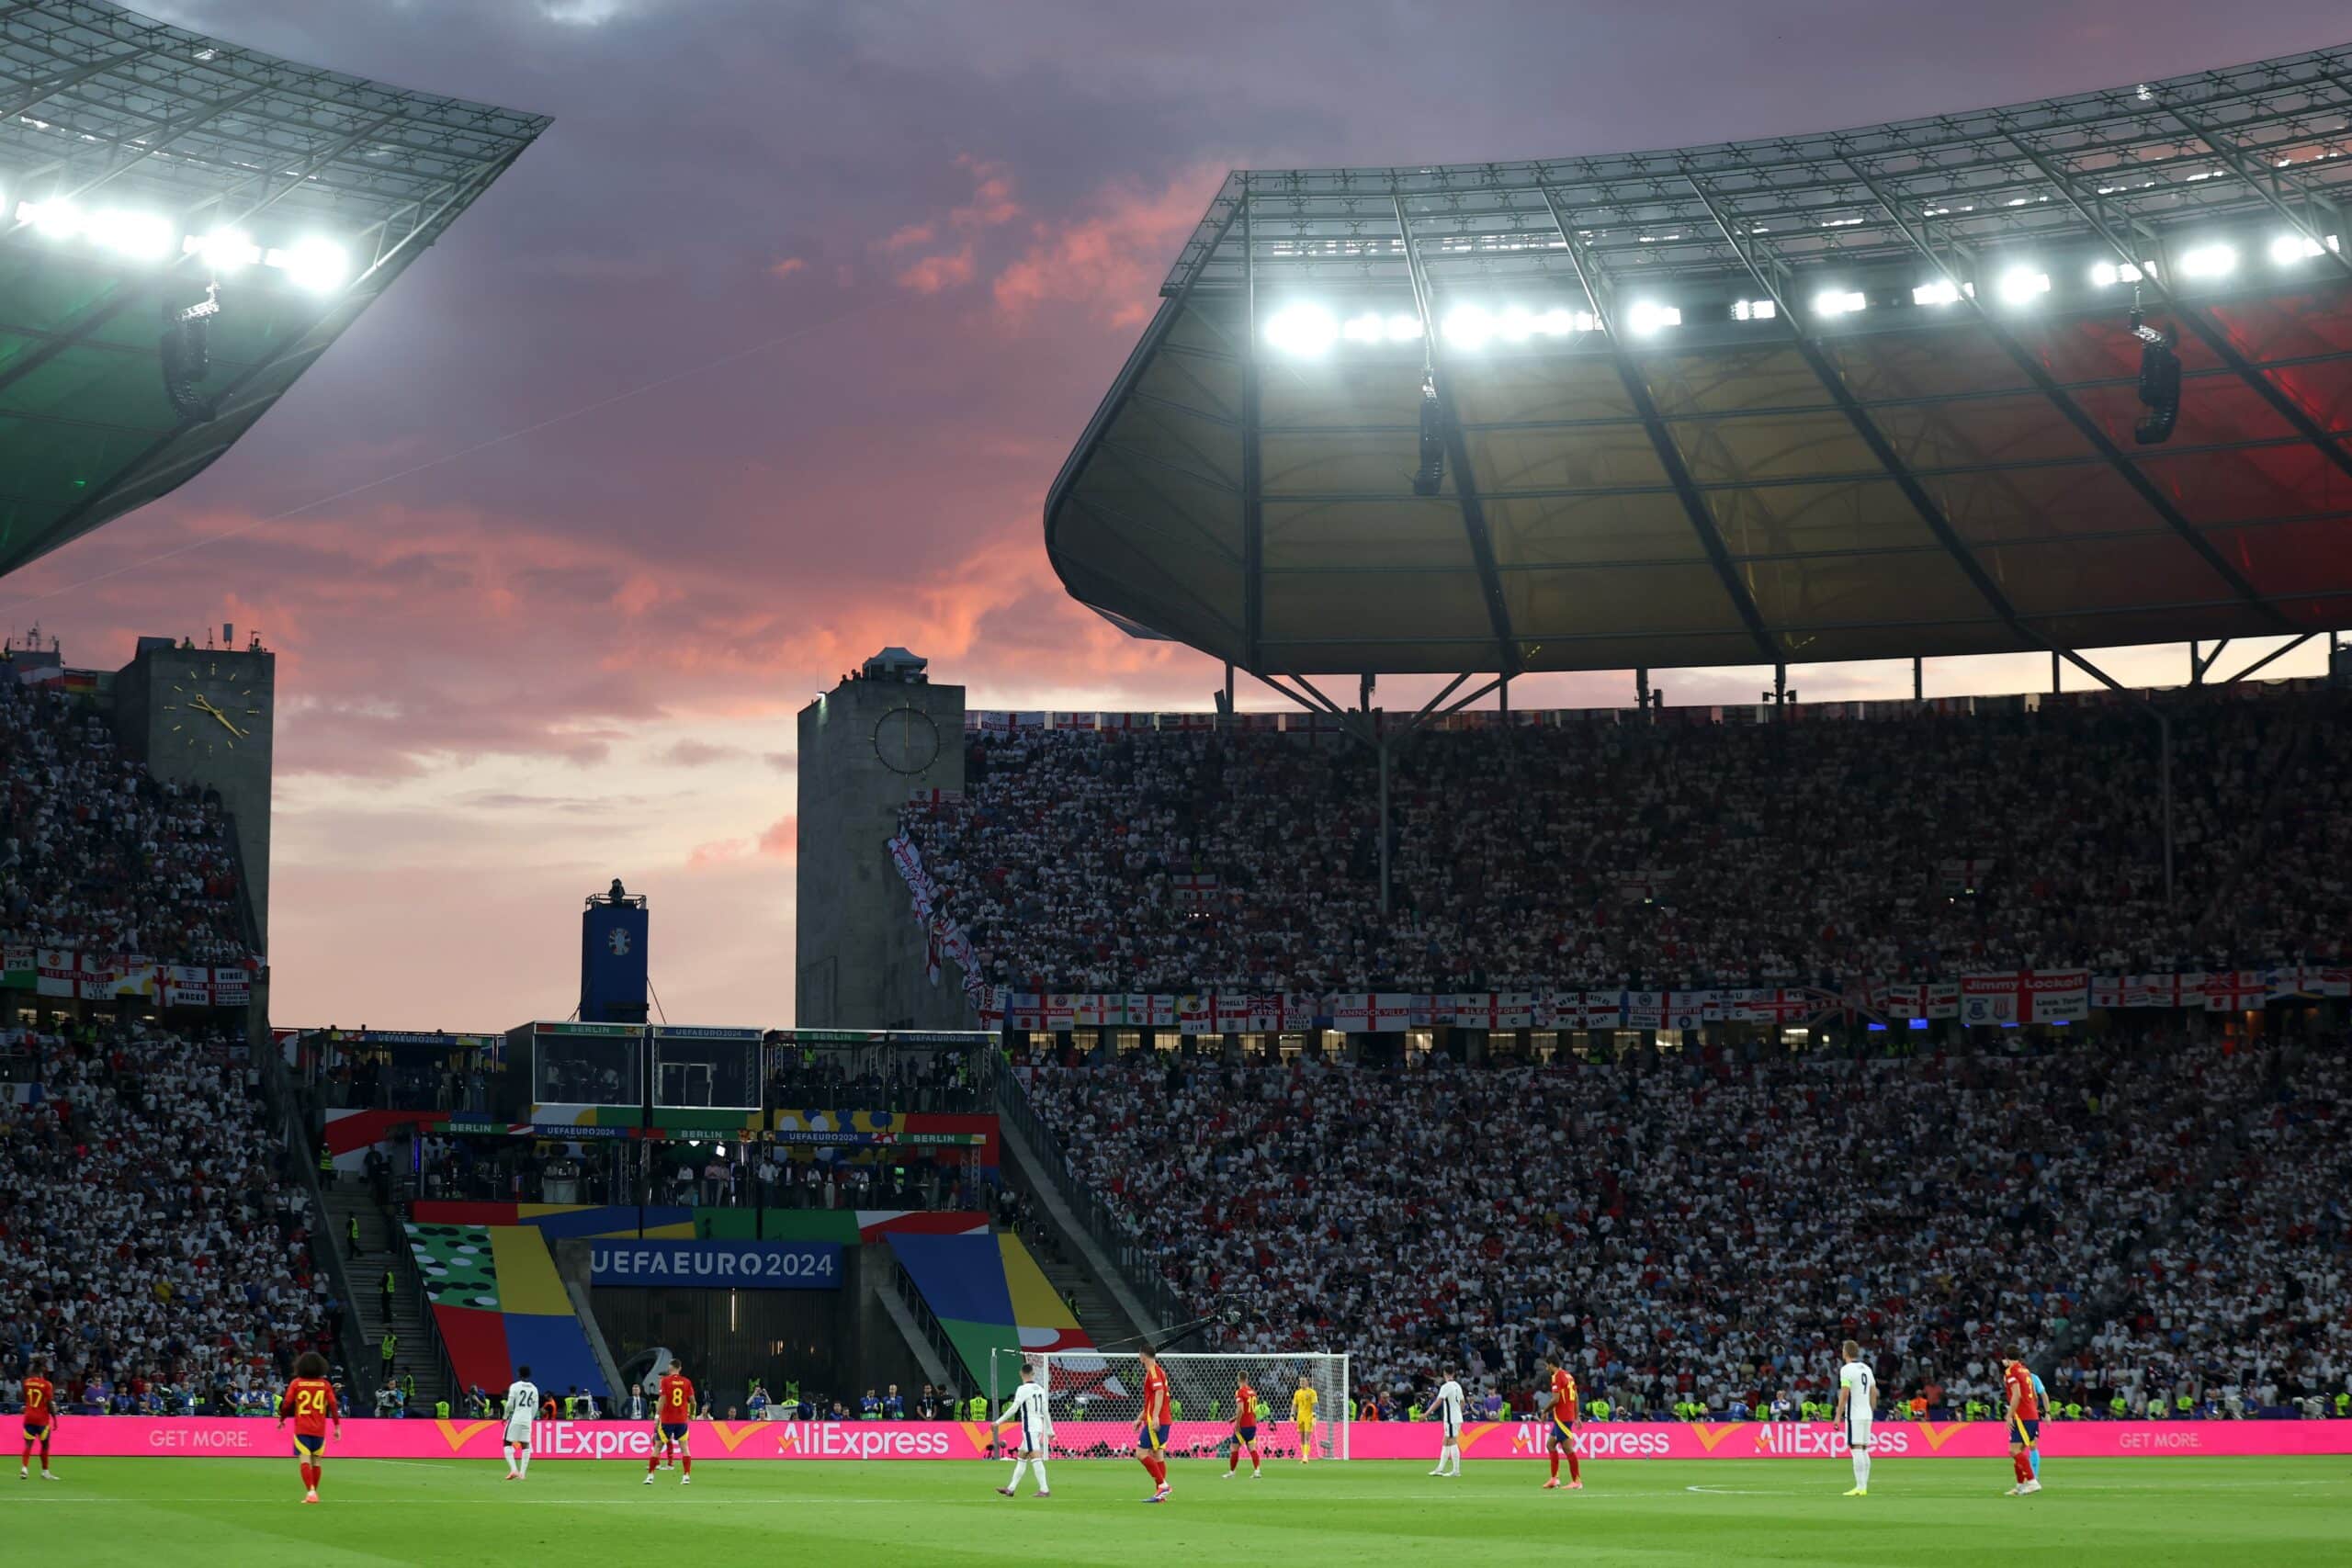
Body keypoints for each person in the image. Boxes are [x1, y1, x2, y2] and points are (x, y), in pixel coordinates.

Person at [276, 1350, 343, 1506]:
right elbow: (333, 1405)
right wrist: (337, 1426)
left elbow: (287, 1403)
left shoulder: (297, 1383)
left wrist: (282, 1419)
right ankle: (313, 1492)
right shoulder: (325, 1385)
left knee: (304, 1459)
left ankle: (311, 1492)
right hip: (319, 1429)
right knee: (316, 1462)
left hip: (302, 1428)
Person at [991, 1356, 1053, 1499]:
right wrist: (1050, 1430)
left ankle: (1044, 1489)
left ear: (1021, 1374)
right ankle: (1011, 1488)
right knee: (1022, 1456)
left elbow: (1014, 1408)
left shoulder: (1022, 1389)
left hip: (1030, 1427)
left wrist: (997, 1422)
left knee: (1035, 1457)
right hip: (1038, 1425)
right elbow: (1045, 1411)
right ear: (1033, 1373)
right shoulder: (1040, 1389)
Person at [1836, 1339, 1876, 1497]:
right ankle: (1863, 1486)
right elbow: (1874, 1392)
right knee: (1864, 1449)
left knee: (1856, 1448)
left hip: (1854, 1414)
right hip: (1867, 1414)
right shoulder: (1867, 1368)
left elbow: (1844, 1393)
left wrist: (1838, 1416)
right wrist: (1870, 1410)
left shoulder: (1846, 1370)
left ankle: (1860, 1487)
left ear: (1845, 1352)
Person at [2002, 1349, 2042, 1495]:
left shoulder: (2010, 1372)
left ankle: (2032, 1482)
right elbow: (2035, 1396)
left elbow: (2016, 1395)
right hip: (2032, 1414)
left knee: (2013, 1450)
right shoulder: (2026, 1371)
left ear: (2007, 1359)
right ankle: (2020, 1486)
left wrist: (2009, 1415)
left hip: (2022, 1416)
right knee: (2018, 1451)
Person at [1136, 1347, 1172, 1503]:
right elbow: (1151, 1400)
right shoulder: (1157, 1371)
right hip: (1160, 1419)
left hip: (1157, 1420)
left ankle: (1163, 1486)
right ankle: (1161, 1494)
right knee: (1157, 1455)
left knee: (1141, 1453)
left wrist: (1155, 1416)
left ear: (1143, 1356)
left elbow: (1159, 1393)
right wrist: (1140, 1418)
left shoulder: (1154, 1372)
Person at [649, 1361, 695, 1484]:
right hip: (681, 1419)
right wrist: (692, 1414)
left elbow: (662, 1400)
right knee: (684, 1447)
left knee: (658, 1446)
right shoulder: (686, 1381)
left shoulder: (665, 1381)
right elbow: (693, 1402)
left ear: (670, 1368)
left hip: (667, 1420)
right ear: (680, 1368)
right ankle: (686, 1476)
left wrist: (657, 1416)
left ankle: (650, 1476)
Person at [1542, 1358, 1582, 1491]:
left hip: (1562, 1417)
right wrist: (1576, 1416)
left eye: (1547, 1366)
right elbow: (1575, 1396)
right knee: (1550, 1444)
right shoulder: (1568, 1375)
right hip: (1566, 1416)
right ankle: (1554, 1479)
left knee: (1567, 1448)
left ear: (1552, 1365)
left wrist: (1544, 1411)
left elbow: (1555, 1399)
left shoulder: (1557, 1376)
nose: (1546, 1368)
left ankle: (1576, 1481)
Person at [18, 1359, 58, 1481]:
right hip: (42, 1419)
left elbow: (25, 1398)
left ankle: (24, 1468)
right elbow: (50, 1403)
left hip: (29, 1417)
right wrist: (55, 1417)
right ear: (42, 1371)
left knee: (28, 1444)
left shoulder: (26, 1382)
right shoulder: (47, 1384)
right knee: (45, 1445)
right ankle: (45, 1472)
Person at [503, 1364, 541, 1482]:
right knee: (525, 1445)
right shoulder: (534, 1388)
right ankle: (522, 1474)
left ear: (519, 1374)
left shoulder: (515, 1386)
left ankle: (514, 1469)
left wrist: (505, 1416)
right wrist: (530, 1418)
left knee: (507, 1442)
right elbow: (535, 1407)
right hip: (527, 1420)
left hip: (516, 1418)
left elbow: (509, 1404)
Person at [1428, 1368, 1465, 1478]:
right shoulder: (1457, 1385)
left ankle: (1456, 1470)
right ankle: (1439, 1469)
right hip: (1456, 1417)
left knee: (1452, 1441)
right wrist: (1458, 1412)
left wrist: (1426, 1414)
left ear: (1444, 1374)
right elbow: (1463, 1402)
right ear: (1453, 1373)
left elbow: (1438, 1401)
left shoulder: (1446, 1386)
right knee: (1445, 1441)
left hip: (1451, 1418)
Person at [1226, 1375, 1262, 1481]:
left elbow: (1241, 1410)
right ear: (1247, 1379)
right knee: (1252, 1448)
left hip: (1243, 1425)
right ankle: (1257, 1471)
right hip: (1252, 1424)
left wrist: (1237, 1424)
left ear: (1239, 1380)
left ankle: (1232, 1472)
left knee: (1234, 1448)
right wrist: (1233, 1418)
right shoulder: (1253, 1392)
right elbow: (1250, 1409)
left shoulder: (1240, 1392)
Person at [1290, 1372, 1318, 1464]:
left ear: (1307, 1382)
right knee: (1301, 1437)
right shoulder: (1297, 1393)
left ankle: (1306, 1456)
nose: (1301, 1383)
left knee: (1307, 1437)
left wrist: (1314, 1416)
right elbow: (1294, 1405)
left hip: (1308, 1417)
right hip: (1300, 1417)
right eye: (1300, 1381)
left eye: (1303, 1381)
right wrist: (1292, 1415)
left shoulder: (1312, 1392)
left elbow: (1315, 1405)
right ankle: (1304, 1456)